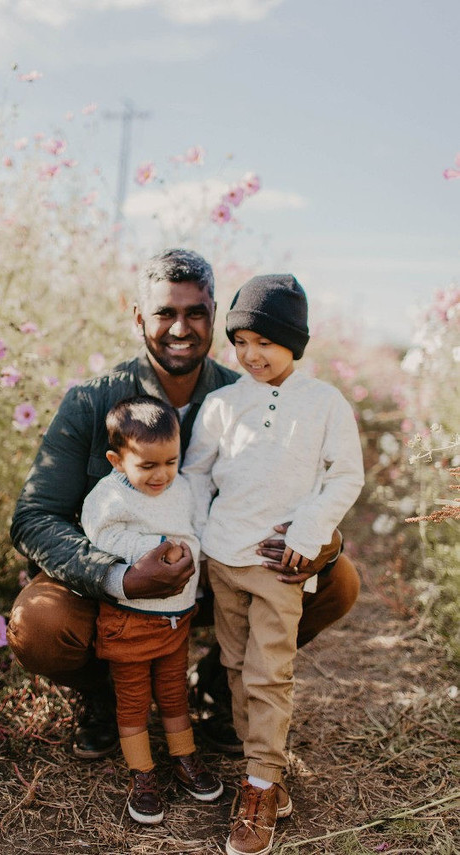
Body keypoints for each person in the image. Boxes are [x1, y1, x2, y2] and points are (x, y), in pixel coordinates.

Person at [7, 249, 361, 819]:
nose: (180, 327)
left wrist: (320, 542)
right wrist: (116, 575)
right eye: (164, 312)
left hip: (224, 576)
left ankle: (221, 688)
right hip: (115, 595)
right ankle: (104, 695)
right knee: (41, 623)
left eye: (196, 313)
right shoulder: (92, 400)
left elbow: (317, 483)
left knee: (338, 579)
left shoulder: (241, 395)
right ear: (137, 317)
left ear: (215, 314)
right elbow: (33, 517)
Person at [181, 274, 365, 855]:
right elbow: (195, 475)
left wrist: (308, 534)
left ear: (295, 343)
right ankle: (267, 766)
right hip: (224, 558)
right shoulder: (221, 404)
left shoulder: (323, 403)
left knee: (269, 669)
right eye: (242, 341)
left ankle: (259, 783)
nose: (252, 354)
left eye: (267, 341)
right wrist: (199, 538)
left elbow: (346, 475)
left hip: (281, 565)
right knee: (234, 666)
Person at [81, 394, 222, 823]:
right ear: (117, 460)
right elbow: (102, 538)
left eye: (170, 462)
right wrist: (156, 548)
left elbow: (195, 531)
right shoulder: (108, 497)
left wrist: (187, 552)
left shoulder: (181, 489)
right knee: (134, 700)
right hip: (130, 619)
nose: (161, 475)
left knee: (174, 694)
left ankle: (184, 757)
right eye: (147, 466)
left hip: (176, 618)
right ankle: (142, 773)